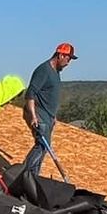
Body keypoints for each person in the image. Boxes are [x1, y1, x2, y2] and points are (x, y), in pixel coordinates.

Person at [21, 42, 77, 177]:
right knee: (42, 145)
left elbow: (49, 95)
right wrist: (33, 116)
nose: (68, 62)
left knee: (43, 147)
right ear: (61, 55)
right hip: (39, 115)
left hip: (48, 116)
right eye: (68, 58)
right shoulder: (44, 70)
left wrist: (53, 116)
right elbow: (30, 94)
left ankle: (33, 176)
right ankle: (25, 174)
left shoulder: (56, 72)